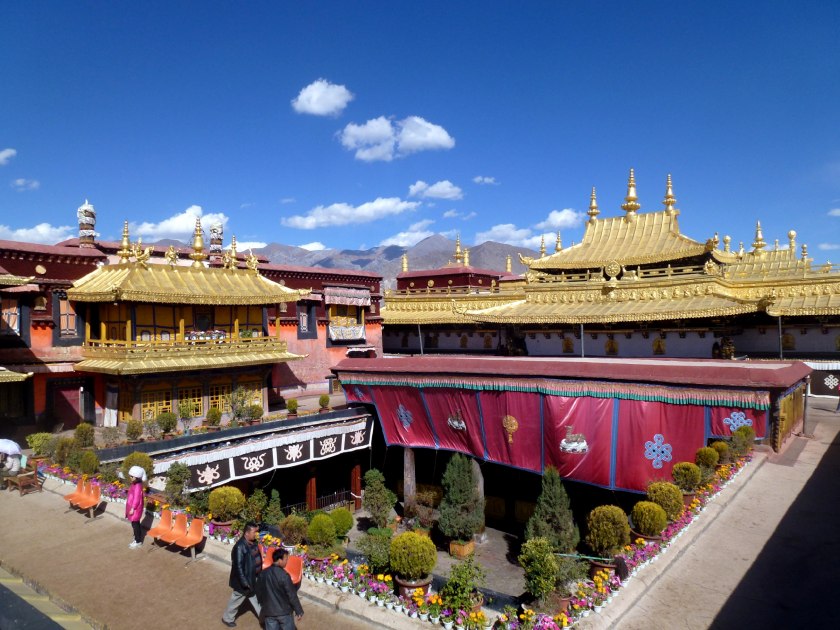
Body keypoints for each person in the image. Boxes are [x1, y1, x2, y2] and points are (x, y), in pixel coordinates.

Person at [222, 522, 262, 628]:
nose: (256, 534)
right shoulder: (239, 547)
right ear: (246, 533)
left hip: (252, 578)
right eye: (254, 532)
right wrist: (244, 583)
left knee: (256, 597)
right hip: (244, 581)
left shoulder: (253, 542)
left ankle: (264, 618)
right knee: (236, 599)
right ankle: (227, 618)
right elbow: (238, 567)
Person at [256, 547, 304, 630]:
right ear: (279, 560)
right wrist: (298, 610)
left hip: (269, 612)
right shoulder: (284, 575)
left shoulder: (263, 573)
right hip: (284, 613)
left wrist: (263, 605)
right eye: (286, 559)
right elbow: (291, 595)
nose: (286, 562)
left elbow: (258, 591)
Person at [125, 465, 146, 548]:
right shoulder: (135, 483)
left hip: (135, 508)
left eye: (131, 476)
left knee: (135, 524)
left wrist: (133, 508)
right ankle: (137, 537)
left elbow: (137, 498)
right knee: (135, 523)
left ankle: (138, 541)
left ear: (136, 477)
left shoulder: (137, 486)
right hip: (133, 507)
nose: (130, 477)